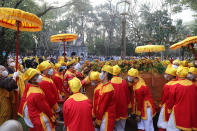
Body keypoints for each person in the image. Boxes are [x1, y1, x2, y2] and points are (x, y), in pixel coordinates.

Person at [166, 67, 197, 131]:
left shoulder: (174, 85)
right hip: (191, 110)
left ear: (177, 75)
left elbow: (171, 101)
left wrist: (169, 109)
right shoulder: (193, 85)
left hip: (178, 111)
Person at [94, 65, 116, 131]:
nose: (100, 74)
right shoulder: (104, 86)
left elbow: (102, 106)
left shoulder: (108, 89)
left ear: (106, 73)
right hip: (103, 116)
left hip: (106, 117)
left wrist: (98, 120)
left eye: (102, 72)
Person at [110, 65, 131, 131]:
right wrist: (129, 106)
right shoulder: (124, 82)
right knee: (121, 128)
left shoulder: (109, 82)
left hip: (113, 109)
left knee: (112, 127)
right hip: (123, 108)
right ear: (119, 73)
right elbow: (127, 95)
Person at [157, 65, 177, 131]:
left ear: (171, 75)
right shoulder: (178, 83)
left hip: (167, 106)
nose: (165, 75)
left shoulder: (167, 85)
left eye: (167, 74)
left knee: (163, 123)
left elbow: (164, 98)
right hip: (176, 107)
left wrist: (160, 106)